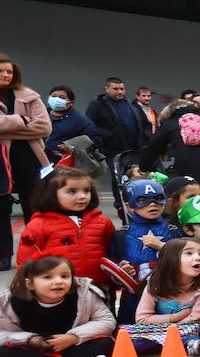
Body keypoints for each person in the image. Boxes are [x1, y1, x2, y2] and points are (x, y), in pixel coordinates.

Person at [0, 255, 116, 357]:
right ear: (30, 284)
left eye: (65, 276)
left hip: (70, 346)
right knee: (3, 352)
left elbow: (106, 321)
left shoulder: (84, 294)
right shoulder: (11, 301)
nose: (58, 281)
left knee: (104, 343)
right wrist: (30, 339)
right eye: (47, 277)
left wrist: (74, 337)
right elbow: (2, 333)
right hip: (33, 348)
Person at [139, 95, 200, 220]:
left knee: (190, 206)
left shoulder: (169, 123)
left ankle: (191, 235)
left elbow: (153, 148)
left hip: (189, 174)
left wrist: (144, 167)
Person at [17, 167, 116, 284]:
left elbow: (114, 253)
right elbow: (26, 260)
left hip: (98, 287)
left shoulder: (102, 222)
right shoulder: (39, 225)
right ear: (51, 193)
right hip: (57, 288)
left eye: (86, 190)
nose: (82, 196)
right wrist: (27, 284)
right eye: (72, 191)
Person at [0, 55, 52, 271]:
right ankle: (3, 255)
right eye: (1, 71)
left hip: (29, 157)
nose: (5, 75)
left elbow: (44, 127)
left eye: (9, 72)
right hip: (1, 158)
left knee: (34, 205)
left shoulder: (29, 96)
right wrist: (21, 121)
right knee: (1, 207)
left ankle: (37, 251)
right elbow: (32, 125)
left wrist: (6, 129)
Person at [124, 237, 200, 355]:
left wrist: (173, 329)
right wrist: (176, 317)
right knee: (127, 334)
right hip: (158, 328)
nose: (198, 257)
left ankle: (187, 344)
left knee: (195, 329)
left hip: (186, 327)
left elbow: (195, 318)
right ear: (170, 259)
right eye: (189, 253)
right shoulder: (155, 284)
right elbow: (142, 319)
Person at [86, 76, 150, 225]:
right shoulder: (98, 105)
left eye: (122, 88)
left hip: (134, 150)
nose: (119, 91)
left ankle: (138, 204)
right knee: (118, 180)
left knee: (137, 177)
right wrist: (106, 137)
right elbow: (90, 126)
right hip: (112, 150)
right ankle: (121, 207)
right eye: (115, 89)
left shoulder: (130, 105)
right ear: (107, 89)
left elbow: (144, 124)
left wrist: (145, 141)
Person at [41, 86, 104, 166]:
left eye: (62, 97)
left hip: (63, 163)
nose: (56, 99)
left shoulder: (79, 119)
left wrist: (72, 146)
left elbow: (95, 138)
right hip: (38, 159)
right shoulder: (40, 115)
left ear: (71, 103)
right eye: (53, 96)